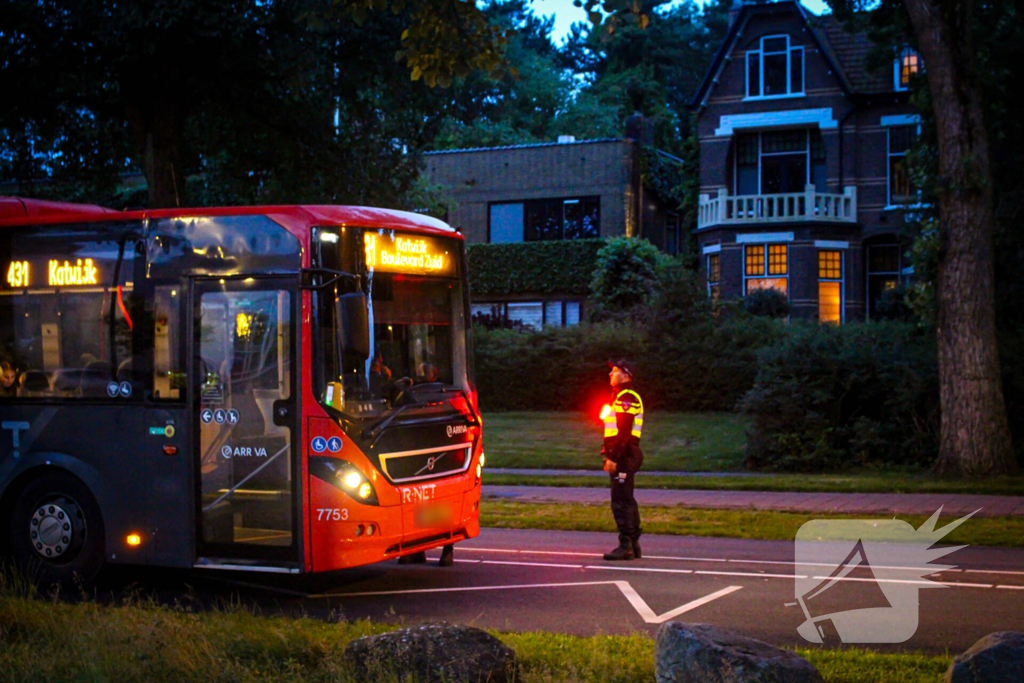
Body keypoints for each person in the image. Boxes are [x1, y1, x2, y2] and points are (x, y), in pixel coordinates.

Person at [601, 359, 644, 561]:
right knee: (626, 499)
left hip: (623, 457)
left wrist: (613, 458)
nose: (611, 374)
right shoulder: (620, 396)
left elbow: (624, 431)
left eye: (615, 371)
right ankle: (633, 545)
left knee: (620, 501)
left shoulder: (627, 397)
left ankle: (626, 544)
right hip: (624, 455)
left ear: (626, 376)